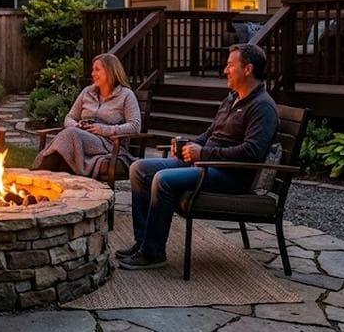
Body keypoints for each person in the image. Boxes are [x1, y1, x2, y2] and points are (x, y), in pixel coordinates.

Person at [117, 43, 279, 270]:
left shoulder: (262, 107)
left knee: (163, 179)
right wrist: (191, 144)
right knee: (139, 168)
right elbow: (212, 133)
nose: (225, 70)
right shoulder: (231, 98)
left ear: (248, 69)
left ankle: (154, 253)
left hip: (231, 176)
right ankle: (143, 242)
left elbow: (251, 153)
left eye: (230, 65)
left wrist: (203, 153)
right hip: (207, 164)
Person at [32, 53, 141, 178]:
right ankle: (50, 185)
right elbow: (69, 118)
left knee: (70, 134)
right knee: (69, 141)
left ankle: (38, 173)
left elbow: (135, 126)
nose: (93, 74)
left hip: (109, 144)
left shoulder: (126, 95)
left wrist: (105, 130)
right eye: (92, 70)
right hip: (81, 139)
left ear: (111, 71)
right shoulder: (87, 92)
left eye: (97, 70)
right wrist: (77, 125)